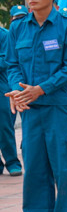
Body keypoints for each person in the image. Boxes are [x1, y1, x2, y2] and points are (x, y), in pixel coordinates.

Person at [5, 0, 67, 212]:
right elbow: (12, 64)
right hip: (31, 111)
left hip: (57, 108)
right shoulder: (18, 28)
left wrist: (41, 89)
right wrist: (18, 89)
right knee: (35, 170)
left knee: (63, 169)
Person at [0, 26, 23, 176]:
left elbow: (7, 60)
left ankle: (12, 161)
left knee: (4, 124)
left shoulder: (4, 35)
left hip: (2, 86)